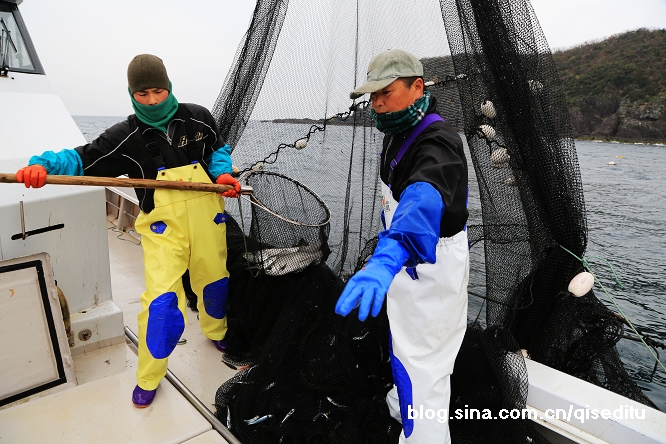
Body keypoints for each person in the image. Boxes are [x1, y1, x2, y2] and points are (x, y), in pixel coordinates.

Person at [15, 54, 241, 408]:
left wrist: (223, 172)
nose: (152, 100)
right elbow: (80, 158)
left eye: (158, 91)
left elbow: (218, 149)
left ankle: (216, 331)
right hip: (163, 230)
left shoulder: (199, 117)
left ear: (169, 87)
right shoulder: (124, 136)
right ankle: (150, 376)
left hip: (209, 219)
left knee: (215, 283)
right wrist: (42, 164)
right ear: (131, 94)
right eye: (143, 94)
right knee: (163, 304)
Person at [335, 49, 469, 443]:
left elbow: (423, 198)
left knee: (422, 367)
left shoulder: (438, 142)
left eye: (386, 92)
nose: (377, 103)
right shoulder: (398, 131)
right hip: (402, 264)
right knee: (405, 344)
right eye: (372, 96)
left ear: (417, 86)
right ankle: (400, 403)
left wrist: (389, 255)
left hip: (426, 264)